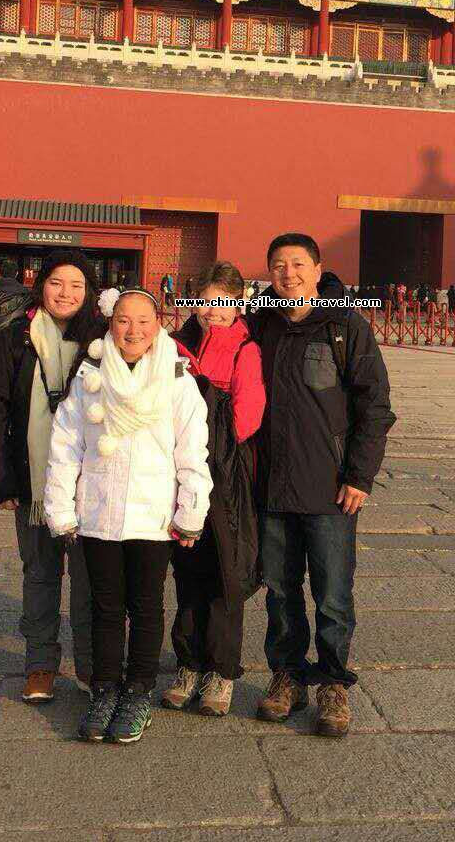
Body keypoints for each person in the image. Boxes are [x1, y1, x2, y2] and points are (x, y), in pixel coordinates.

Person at [45, 289, 213, 744]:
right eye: (123, 320)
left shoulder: (177, 378)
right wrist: (61, 508)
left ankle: (138, 690)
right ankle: (104, 689)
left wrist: (191, 509)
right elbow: (66, 447)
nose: (133, 330)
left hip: (152, 514)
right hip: (99, 509)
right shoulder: (90, 375)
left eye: (142, 321)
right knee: (105, 607)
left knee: (145, 606)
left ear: (158, 325)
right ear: (110, 323)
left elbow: (192, 450)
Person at [249, 234, 394, 739]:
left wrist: (359, 475)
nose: (288, 274)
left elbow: (375, 405)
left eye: (297, 264)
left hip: (331, 489)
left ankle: (333, 680)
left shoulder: (345, 325)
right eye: (278, 265)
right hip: (272, 485)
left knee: (332, 594)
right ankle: (288, 675)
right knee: (279, 590)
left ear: (317, 270)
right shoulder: (261, 322)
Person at [0, 251, 106, 704]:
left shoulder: (103, 339)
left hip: (90, 485)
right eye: (56, 283)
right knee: (41, 576)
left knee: (89, 582)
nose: (66, 293)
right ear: (40, 285)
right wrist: (1, 479)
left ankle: (91, 665)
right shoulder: (15, 337)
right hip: (34, 482)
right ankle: (40, 664)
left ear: (89, 292)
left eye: (76, 285)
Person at [162, 261, 266, 717]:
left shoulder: (246, 349)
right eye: (205, 302)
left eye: (223, 302)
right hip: (179, 473)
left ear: (238, 303)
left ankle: (221, 671)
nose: (213, 311)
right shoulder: (174, 345)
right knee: (187, 570)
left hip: (225, 475)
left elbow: (247, 417)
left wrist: (202, 433)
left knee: (225, 572)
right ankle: (188, 663)